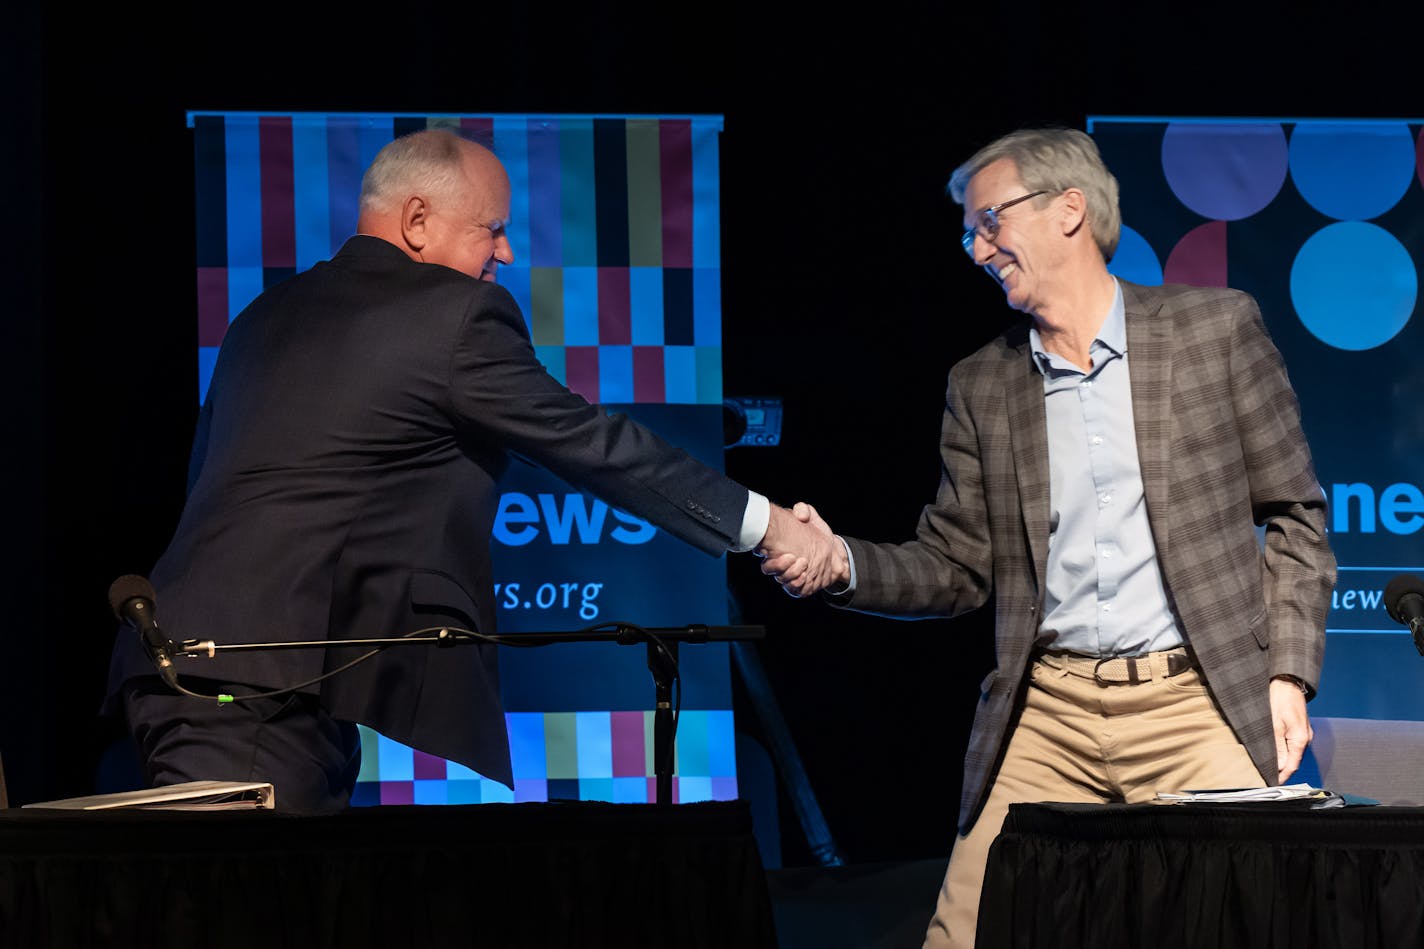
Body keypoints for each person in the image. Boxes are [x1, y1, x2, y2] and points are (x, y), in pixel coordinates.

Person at [104, 127, 842, 814]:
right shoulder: (452, 315)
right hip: (254, 691)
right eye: (493, 228)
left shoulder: (262, 316)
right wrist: (766, 524)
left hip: (214, 670)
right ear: (418, 221)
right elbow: (595, 444)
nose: (507, 254)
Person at [763, 126, 1336, 949]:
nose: (976, 248)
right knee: (961, 935)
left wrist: (1287, 672)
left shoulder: (1215, 331)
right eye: (969, 231)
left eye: (990, 221)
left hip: (1195, 702)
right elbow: (955, 565)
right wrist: (838, 560)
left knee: (1248, 920)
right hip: (1050, 712)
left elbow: (1298, 514)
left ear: (1070, 209)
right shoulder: (982, 383)